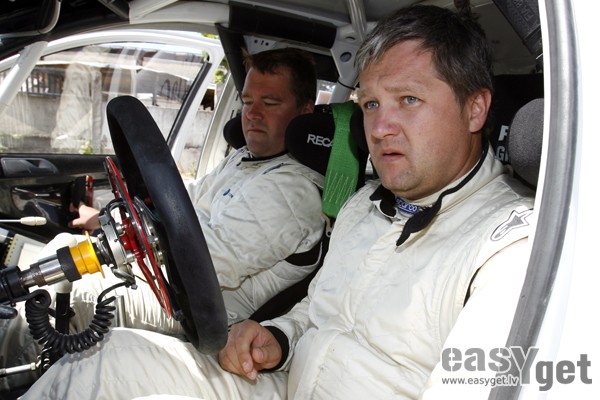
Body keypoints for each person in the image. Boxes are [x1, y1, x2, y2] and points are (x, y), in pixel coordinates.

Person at [21, 4, 535, 399]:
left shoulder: (511, 248)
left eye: (409, 100)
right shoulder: (362, 207)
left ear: (475, 109)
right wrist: (279, 339)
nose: (380, 127)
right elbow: (318, 311)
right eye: (371, 104)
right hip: (283, 385)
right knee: (108, 358)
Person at [0, 47, 325, 394]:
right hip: (167, 279)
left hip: (196, 306)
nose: (252, 114)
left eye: (270, 103)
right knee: (65, 247)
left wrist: (128, 242)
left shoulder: (293, 190)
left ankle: (10, 380)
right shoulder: (245, 159)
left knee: (71, 292)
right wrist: (114, 223)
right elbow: (185, 202)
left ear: (305, 111)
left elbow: (209, 264)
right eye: (247, 102)